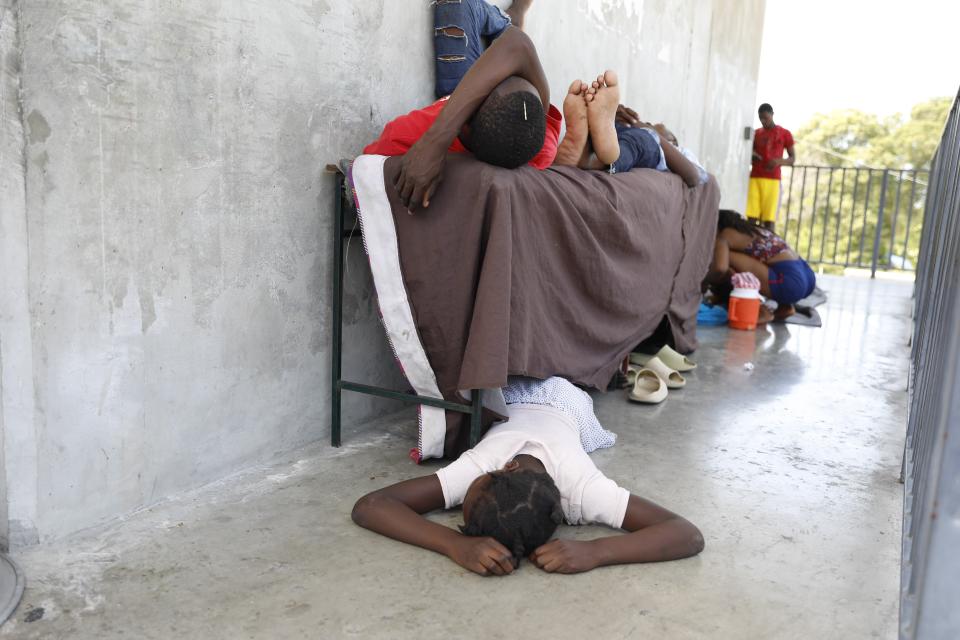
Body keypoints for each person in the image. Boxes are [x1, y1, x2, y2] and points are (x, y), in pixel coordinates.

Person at [352, 376, 704, 576]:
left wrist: (597, 552)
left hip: (569, 400)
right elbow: (369, 505)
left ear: (507, 467)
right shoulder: (487, 471)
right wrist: (453, 544)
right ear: (507, 468)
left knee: (577, 375)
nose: (460, 497)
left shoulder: (578, 487)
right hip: (525, 393)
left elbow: (689, 536)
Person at [707, 209, 816, 321]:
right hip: (807, 276)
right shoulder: (754, 231)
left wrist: (704, 282)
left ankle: (761, 311)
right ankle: (785, 307)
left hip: (790, 283)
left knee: (723, 257)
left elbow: (720, 268)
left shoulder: (724, 235)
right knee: (758, 260)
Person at [747, 103, 795, 231]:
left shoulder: (785, 133)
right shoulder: (756, 133)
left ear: (772, 115)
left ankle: (768, 248)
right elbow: (748, 153)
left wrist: (778, 161)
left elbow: (792, 159)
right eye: (761, 118)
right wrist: (753, 155)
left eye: (766, 118)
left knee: (769, 220)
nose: (763, 121)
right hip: (755, 177)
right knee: (751, 219)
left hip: (773, 180)